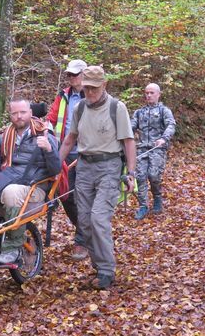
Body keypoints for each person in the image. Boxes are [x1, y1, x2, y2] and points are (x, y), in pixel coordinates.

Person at [58, 66, 136, 290]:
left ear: (104, 85)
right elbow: (69, 140)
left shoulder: (116, 108)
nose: (89, 93)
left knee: (98, 218)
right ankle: (99, 265)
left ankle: (106, 270)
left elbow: (129, 141)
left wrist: (130, 173)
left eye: (94, 88)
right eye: (86, 88)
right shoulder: (80, 108)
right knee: (84, 221)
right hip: (84, 168)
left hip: (109, 167)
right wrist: (55, 167)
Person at [0, 98, 61, 265]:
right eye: (14, 113)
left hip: (33, 189)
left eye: (22, 112)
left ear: (30, 113)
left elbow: (56, 170)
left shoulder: (43, 134)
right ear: (10, 115)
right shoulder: (5, 137)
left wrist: (49, 150)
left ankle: (12, 248)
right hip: (3, 184)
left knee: (11, 191)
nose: (19, 116)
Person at [46, 59, 88, 260]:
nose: (72, 78)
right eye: (69, 75)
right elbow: (52, 118)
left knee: (84, 196)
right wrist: (45, 129)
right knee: (66, 196)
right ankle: (84, 231)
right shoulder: (63, 95)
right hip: (67, 151)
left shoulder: (92, 94)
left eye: (75, 74)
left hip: (89, 154)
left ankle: (82, 241)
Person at [131, 83, 176, 220]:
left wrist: (164, 139)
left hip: (157, 148)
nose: (149, 95)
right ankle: (143, 206)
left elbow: (171, 125)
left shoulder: (164, 111)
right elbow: (130, 126)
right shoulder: (139, 112)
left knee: (154, 175)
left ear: (158, 94)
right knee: (140, 176)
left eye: (151, 93)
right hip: (142, 149)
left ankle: (157, 197)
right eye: (147, 93)